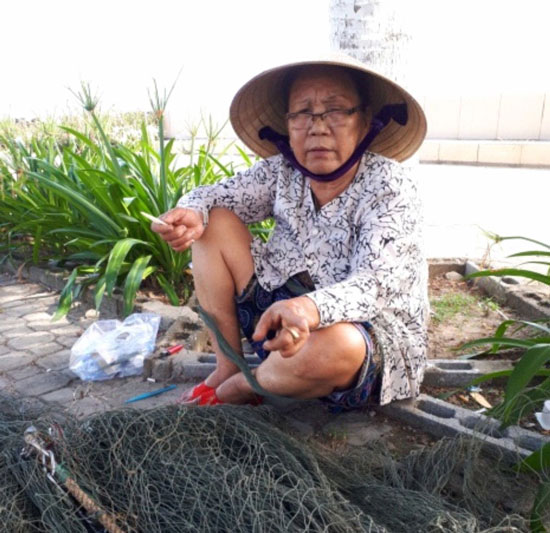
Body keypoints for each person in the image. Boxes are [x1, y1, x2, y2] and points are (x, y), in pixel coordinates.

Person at [151, 53, 428, 410]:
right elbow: (213, 196)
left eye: (335, 110)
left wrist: (308, 308)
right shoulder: (281, 172)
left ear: (365, 121)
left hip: (363, 335)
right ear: (288, 124)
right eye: (303, 113)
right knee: (211, 223)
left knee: (337, 346)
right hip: (282, 324)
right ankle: (230, 368)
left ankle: (240, 389)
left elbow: (375, 283)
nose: (318, 126)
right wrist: (190, 211)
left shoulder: (391, 186)